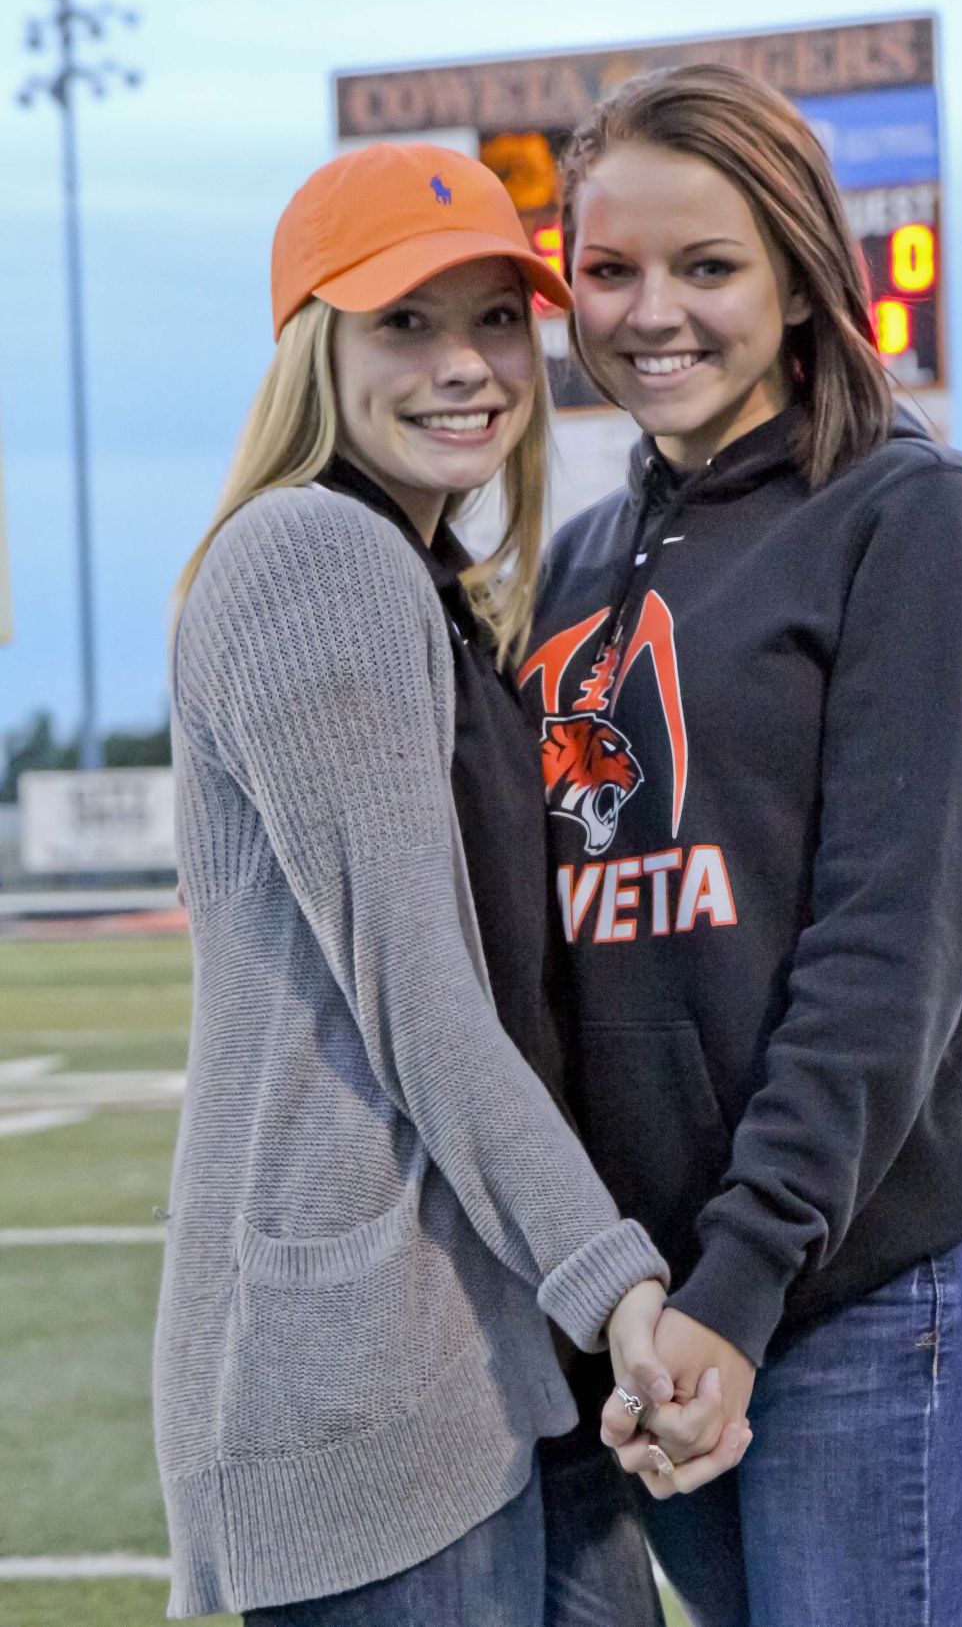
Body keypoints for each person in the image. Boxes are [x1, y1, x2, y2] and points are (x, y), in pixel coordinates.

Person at [155, 142, 745, 1625]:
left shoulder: (441, 588)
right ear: (314, 348)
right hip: (371, 1384)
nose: (465, 365)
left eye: (495, 319)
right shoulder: (313, 555)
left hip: (502, 1369)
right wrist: (621, 1284)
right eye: (404, 323)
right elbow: (424, 1000)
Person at [522, 64, 962, 1626]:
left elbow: (891, 954)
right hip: (667, 1307)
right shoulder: (576, 560)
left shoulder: (912, 514)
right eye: (609, 270)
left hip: (863, 1284)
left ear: (804, 278)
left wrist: (739, 1289)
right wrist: (636, 1298)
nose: (650, 313)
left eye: (708, 267)